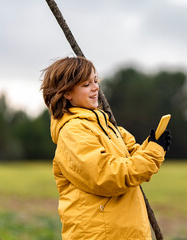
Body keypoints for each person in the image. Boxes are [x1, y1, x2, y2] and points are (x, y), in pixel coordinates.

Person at [41, 56, 171, 240]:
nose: (95, 88)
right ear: (67, 93)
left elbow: (131, 156)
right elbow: (108, 176)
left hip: (125, 232)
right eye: (86, 85)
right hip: (101, 234)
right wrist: (152, 154)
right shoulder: (73, 132)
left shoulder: (105, 125)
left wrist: (154, 145)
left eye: (95, 81)